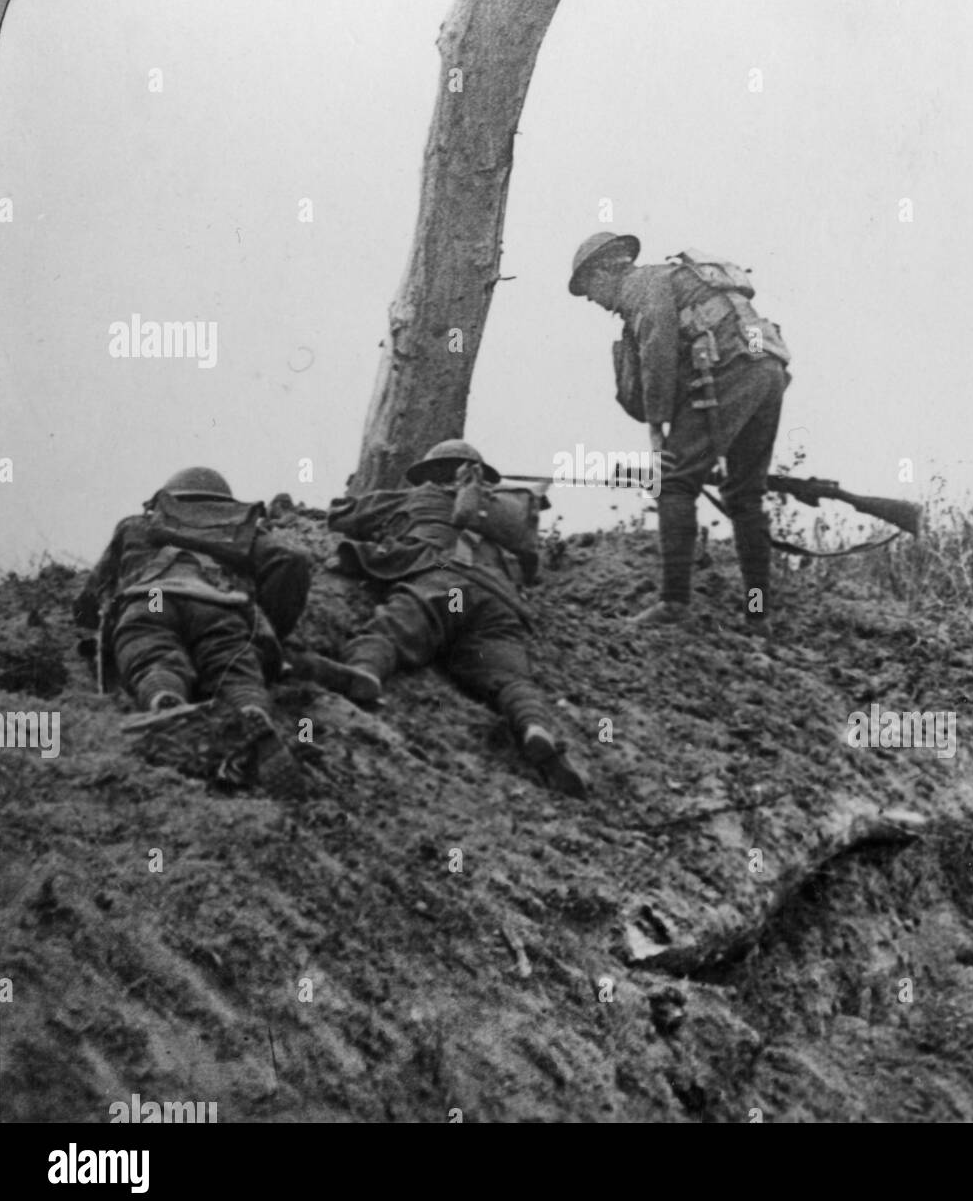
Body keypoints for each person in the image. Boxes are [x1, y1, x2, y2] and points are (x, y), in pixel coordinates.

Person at [317, 439, 590, 799]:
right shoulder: (496, 515)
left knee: (396, 628)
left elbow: (342, 517)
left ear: (430, 473)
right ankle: (534, 726)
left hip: (443, 581)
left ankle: (365, 670)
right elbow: (530, 569)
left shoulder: (413, 498)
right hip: (496, 602)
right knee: (510, 679)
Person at [569, 232, 791, 628]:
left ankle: (674, 604)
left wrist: (657, 429)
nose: (592, 300)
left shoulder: (642, 286)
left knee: (674, 483)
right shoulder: (670, 280)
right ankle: (758, 615)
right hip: (767, 369)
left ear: (605, 271)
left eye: (589, 289)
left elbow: (657, 355)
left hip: (729, 371)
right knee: (746, 495)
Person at [73, 466, 311, 792]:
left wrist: (88, 618)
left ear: (166, 498)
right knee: (233, 669)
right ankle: (250, 708)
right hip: (219, 605)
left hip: (150, 600)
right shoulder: (244, 528)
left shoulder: (136, 525)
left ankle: (164, 697)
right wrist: (267, 630)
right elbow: (291, 560)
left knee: (153, 657)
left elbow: (90, 595)